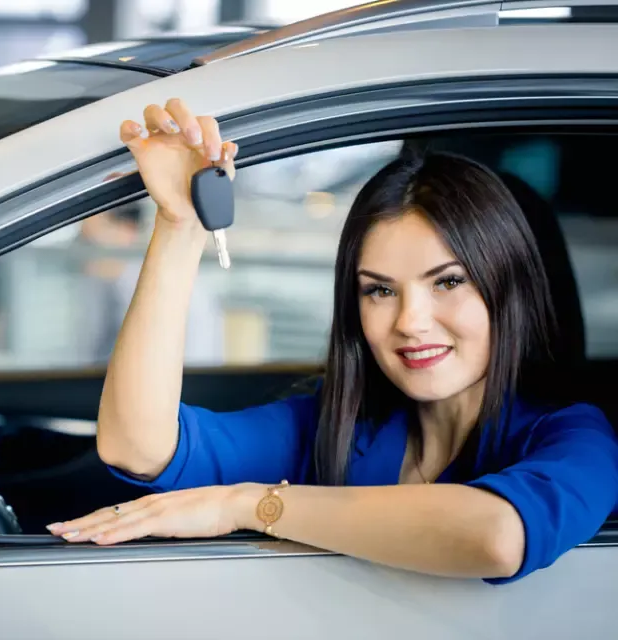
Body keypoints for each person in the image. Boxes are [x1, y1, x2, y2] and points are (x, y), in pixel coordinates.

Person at [45, 98, 618, 584]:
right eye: (379, 291)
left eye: (447, 282)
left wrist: (250, 504)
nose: (411, 321)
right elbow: (138, 447)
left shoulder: (574, 435)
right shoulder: (340, 427)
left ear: (507, 288)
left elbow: (497, 537)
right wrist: (179, 226)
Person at [75, 202, 224, 365]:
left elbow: (193, 367)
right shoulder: (101, 289)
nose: (80, 252)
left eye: (89, 243)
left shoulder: (172, 290)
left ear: (127, 231)